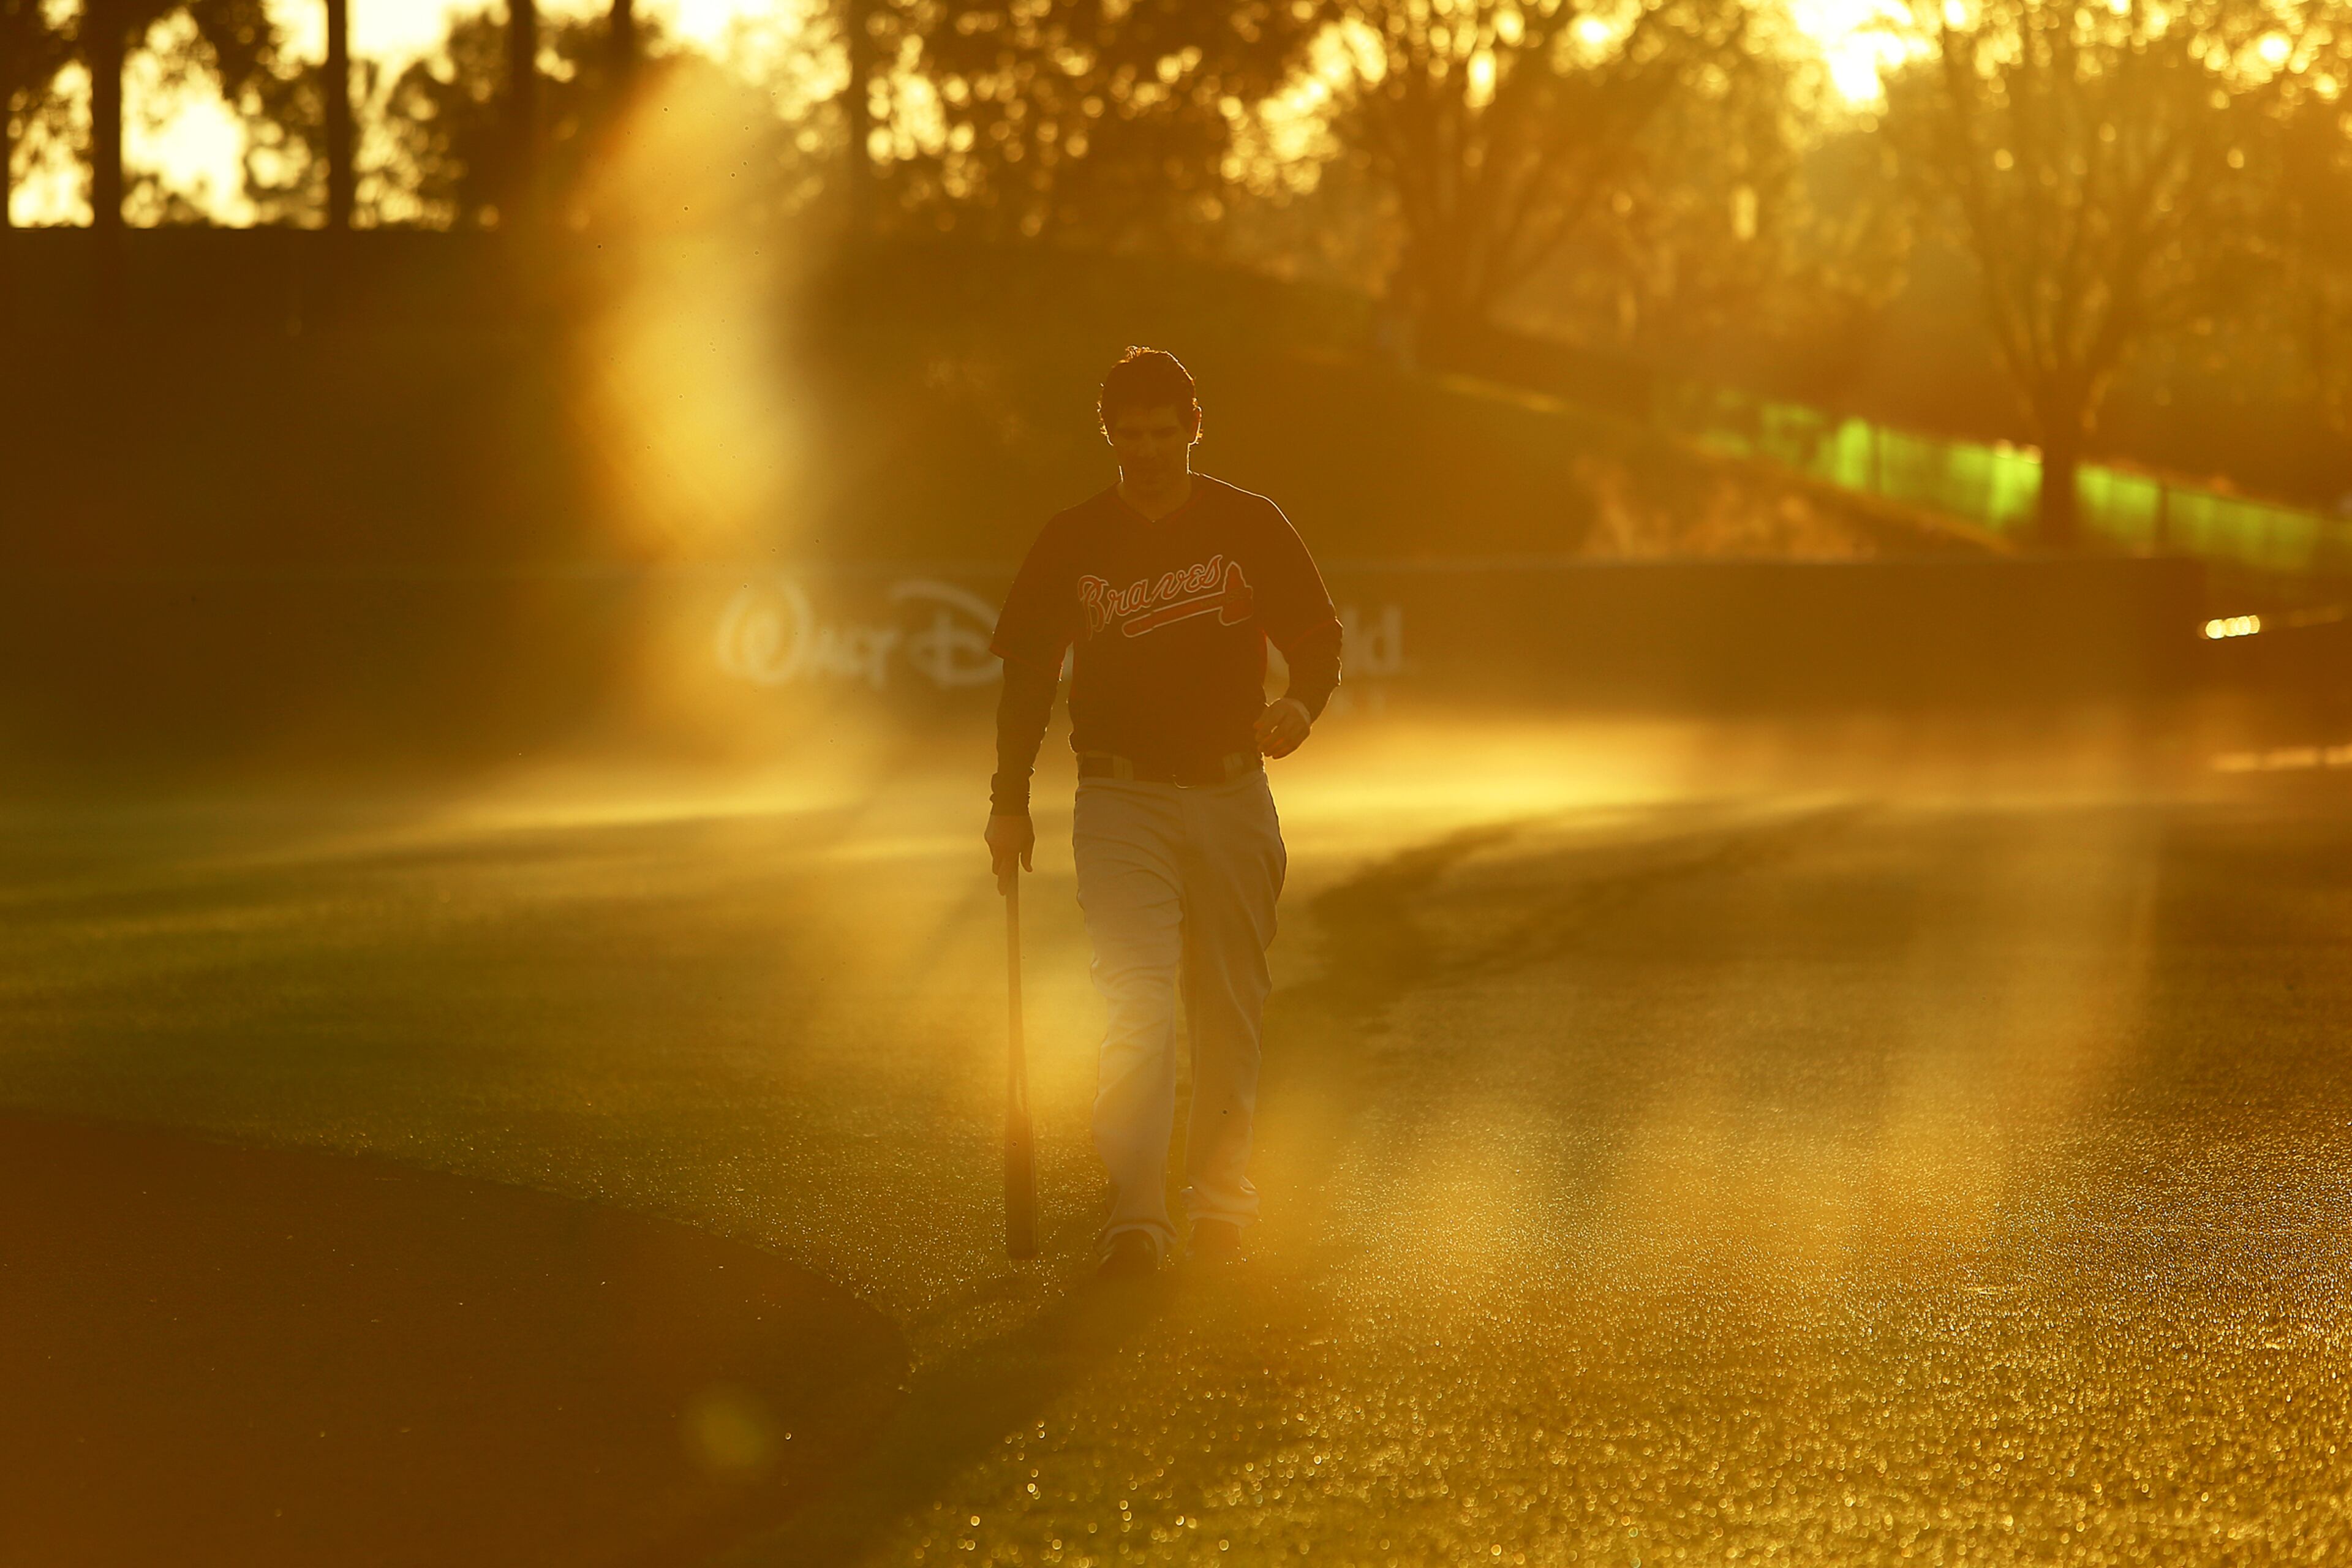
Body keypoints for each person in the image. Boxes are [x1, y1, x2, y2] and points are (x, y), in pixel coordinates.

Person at [986, 347, 1343, 1280]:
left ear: (1193, 427)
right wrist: (1007, 803)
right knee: (1137, 1001)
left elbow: (1317, 634)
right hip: (1118, 795)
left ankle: (1222, 1203)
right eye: (1128, 434)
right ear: (1108, 433)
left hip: (1232, 790)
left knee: (1228, 1003)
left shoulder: (1248, 522)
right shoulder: (1074, 536)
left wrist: (1302, 705)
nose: (1146, 451)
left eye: (1163, 432)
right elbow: (1026, 677)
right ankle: (1137, 1213)